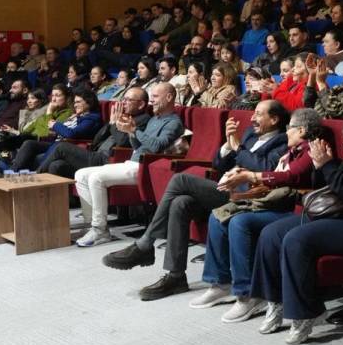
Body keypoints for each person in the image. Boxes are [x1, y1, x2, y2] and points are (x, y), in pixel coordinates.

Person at [101, 99, 290, 301]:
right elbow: (218, 164)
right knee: (180, 203)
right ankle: (176, 277)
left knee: (180, 179)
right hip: (226, 189)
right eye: (253, 113)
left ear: (274, 119)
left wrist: (238, 149)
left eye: (259, 114)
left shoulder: (282, 141)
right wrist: (227, 146)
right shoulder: (250, 135)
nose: (252, 118)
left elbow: (266, 167)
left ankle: (146, 243)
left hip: (247, 196)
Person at [245, 116, 343, 344]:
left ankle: (306, 313)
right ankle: (275, 302)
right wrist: (320, 164)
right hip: (336, 217)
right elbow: (329, 184)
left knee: (296, 239)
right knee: (271, 233)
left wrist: (328, 165)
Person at [185, 108, 323, 319]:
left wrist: (251, 175)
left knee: (239, 222)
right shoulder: (290, 150)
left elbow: (290, 176)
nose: (287, 132)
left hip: (292, 209)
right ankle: (221, 283)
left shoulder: (309, 150)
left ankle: (248, 294)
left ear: (302, 130)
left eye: (290, 128)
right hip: (271, 201)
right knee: (218, 215)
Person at [72, 82, 183, 246]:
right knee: (80, 174)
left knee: (96, 178)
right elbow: (140, 147)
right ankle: (92, 225)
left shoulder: (173, 122)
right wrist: (130, 133)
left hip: (145, 168)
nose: (152, 101)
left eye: (155, 97)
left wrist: (134, 131)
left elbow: (156, 147)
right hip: (132, 162)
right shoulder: (154, 119)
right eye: (151, 97)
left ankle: (99, 230)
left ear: (169, 97)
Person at [9, 90, 103, 172]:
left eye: (78, 102)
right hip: (56, 143)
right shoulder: (80, 116)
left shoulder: (91, 118)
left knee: (50, 152)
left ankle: (38, 175)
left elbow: (72, 133)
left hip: (70, 147)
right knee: (29, 143)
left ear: (89, 103)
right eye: (74, 102)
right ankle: (12, 172)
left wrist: (56, 125)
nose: (75, 105)